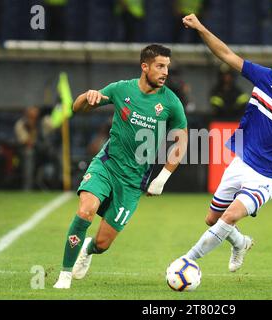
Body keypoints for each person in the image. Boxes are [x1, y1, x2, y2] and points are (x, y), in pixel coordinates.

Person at [179, 14, 272, 272]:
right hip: (242, 161)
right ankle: (241, 243)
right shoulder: (265, 78)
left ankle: (186, 261)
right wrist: (201, 27)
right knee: (212, 219)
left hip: (268, 177)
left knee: (229, 217)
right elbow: (225, 54)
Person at [53, 44, 188, 289]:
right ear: (144, 67)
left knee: (103, 244)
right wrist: (87, 96)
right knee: (86, 210)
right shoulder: (120, 89)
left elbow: (183, 140)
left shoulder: (171, 103)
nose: (165, 71)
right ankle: (64, 275)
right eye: (160, 66)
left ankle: (88, 248)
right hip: (107, 165)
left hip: (133, 181)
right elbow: (77, 108)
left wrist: (162, 177)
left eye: (167, 66)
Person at [14, 106, 40, 190]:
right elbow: (26, 142)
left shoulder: (39, 122)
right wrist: (31, 128)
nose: (35, 113)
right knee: (29, 153)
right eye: (33, 111)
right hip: (22, 151)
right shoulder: (21, 124)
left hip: (40, 149)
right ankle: (27, 187)